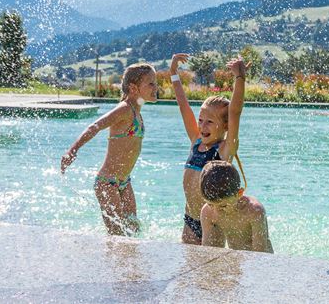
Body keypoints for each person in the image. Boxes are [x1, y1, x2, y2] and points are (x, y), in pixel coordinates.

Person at [61, 63, 158, 236]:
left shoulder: (137, 111)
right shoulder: (124, 109)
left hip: (124, 182)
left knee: (133, 229)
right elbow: (95, 126)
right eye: (150, 83)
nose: (155, 87)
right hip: (107, 182)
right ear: (133, 88)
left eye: (155, 83)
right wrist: (72, 150)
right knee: (117, 234)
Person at [170, 53, 246, 244]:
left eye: (210, 122)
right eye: (201, 120)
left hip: (213, 221)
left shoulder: (225, 149)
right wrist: (173, 73)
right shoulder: (196, 141)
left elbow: (235, 112)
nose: (202, 127)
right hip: (190, 219)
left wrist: (240, 77)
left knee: (212, 271)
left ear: (226, 126)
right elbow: (183, 105)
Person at [200, 161, 273, 253]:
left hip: (263, 261)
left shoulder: (254, 211)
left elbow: (261, 255)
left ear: (239, 194)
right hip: (238, 260)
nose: (217, 211)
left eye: (223, 205)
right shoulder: (207, 211)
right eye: (210, 204)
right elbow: (209, 252)